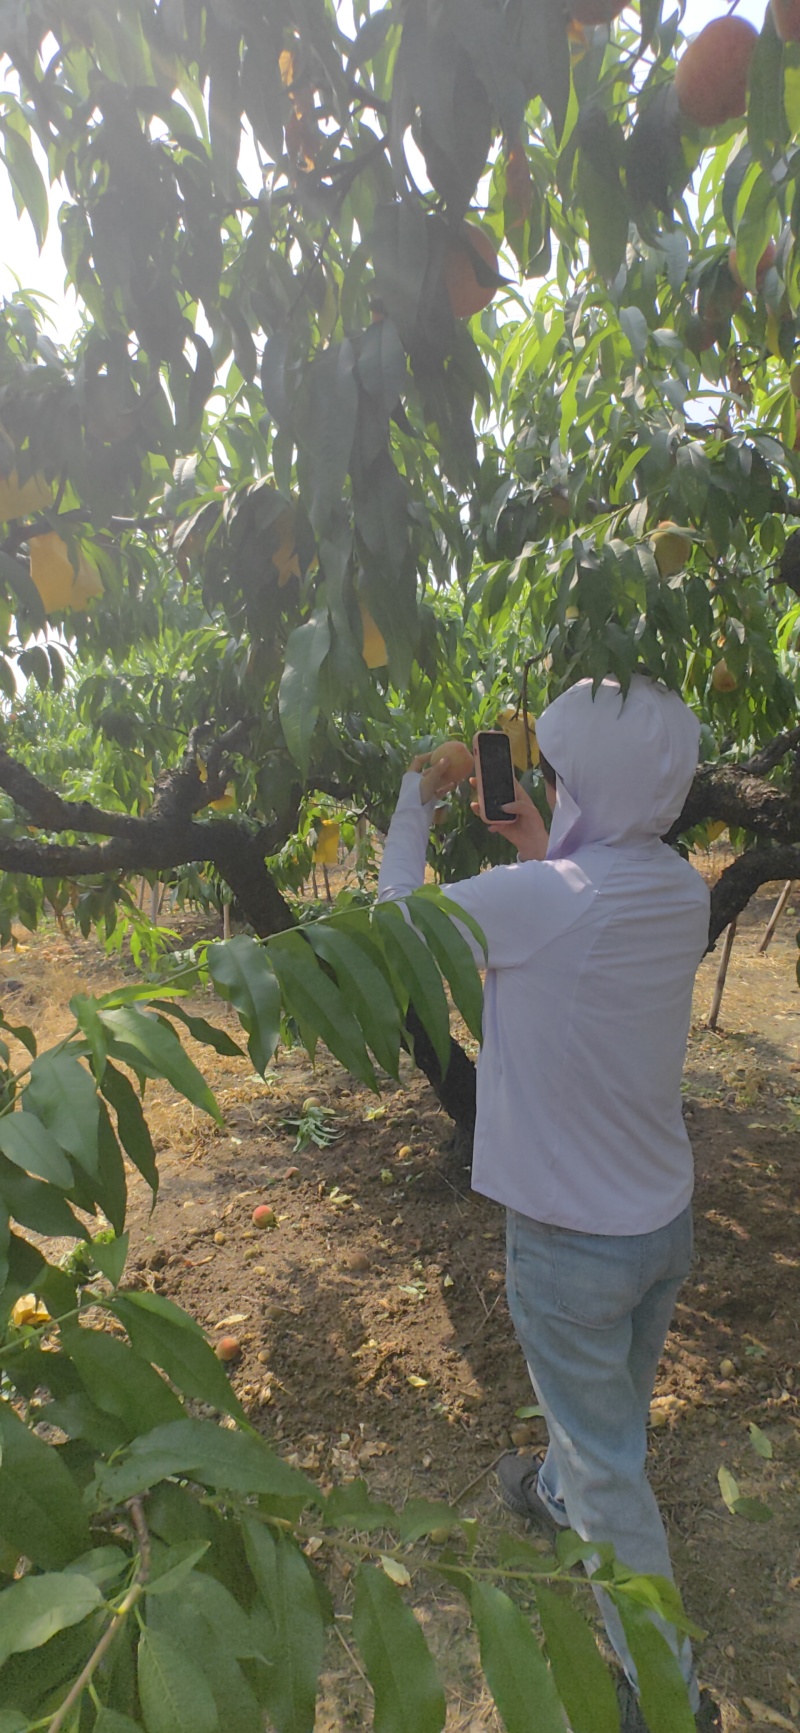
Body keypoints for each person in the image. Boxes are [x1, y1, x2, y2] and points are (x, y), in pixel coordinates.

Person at [377, 674, 717, 1730]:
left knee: (610, 1460)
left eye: (561, 777)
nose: (548, 787)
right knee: (606, 1416)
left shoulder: (543, 900)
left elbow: (397, 928)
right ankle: (557, 1493)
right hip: (657, 1220)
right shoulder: (681, 884)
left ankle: (664, 1694)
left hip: (572, 1246)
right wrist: (543, 839)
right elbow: (588, 896)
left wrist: (409, 804)